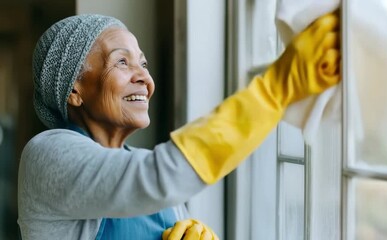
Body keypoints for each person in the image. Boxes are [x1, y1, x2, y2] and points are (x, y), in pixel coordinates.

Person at [17, 10, 340, 240]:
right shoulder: (47, 153)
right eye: (122, 62)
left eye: (143, 63)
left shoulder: (157, 186)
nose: (144, 77)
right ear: (73, 90)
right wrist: (273, 92)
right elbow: (159, 176)